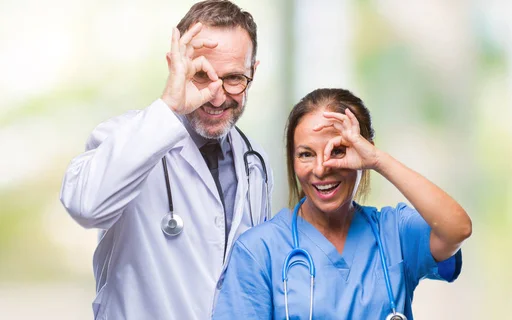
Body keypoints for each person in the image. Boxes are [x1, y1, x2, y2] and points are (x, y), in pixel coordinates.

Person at [59, 1, 272, 319]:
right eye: (202, 75)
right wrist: (170, 105)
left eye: (234, 78)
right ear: (178, 68)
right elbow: (86, 206)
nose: (217, 95)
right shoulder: (127, 137)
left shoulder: (253, 162)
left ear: (253, 71)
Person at [213, 88, 472, 320]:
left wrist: (379, 160)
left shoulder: (395, 233)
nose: (321, 169)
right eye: (306, 154)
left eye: (338, 151)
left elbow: (457, 229)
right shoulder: (259, 251)